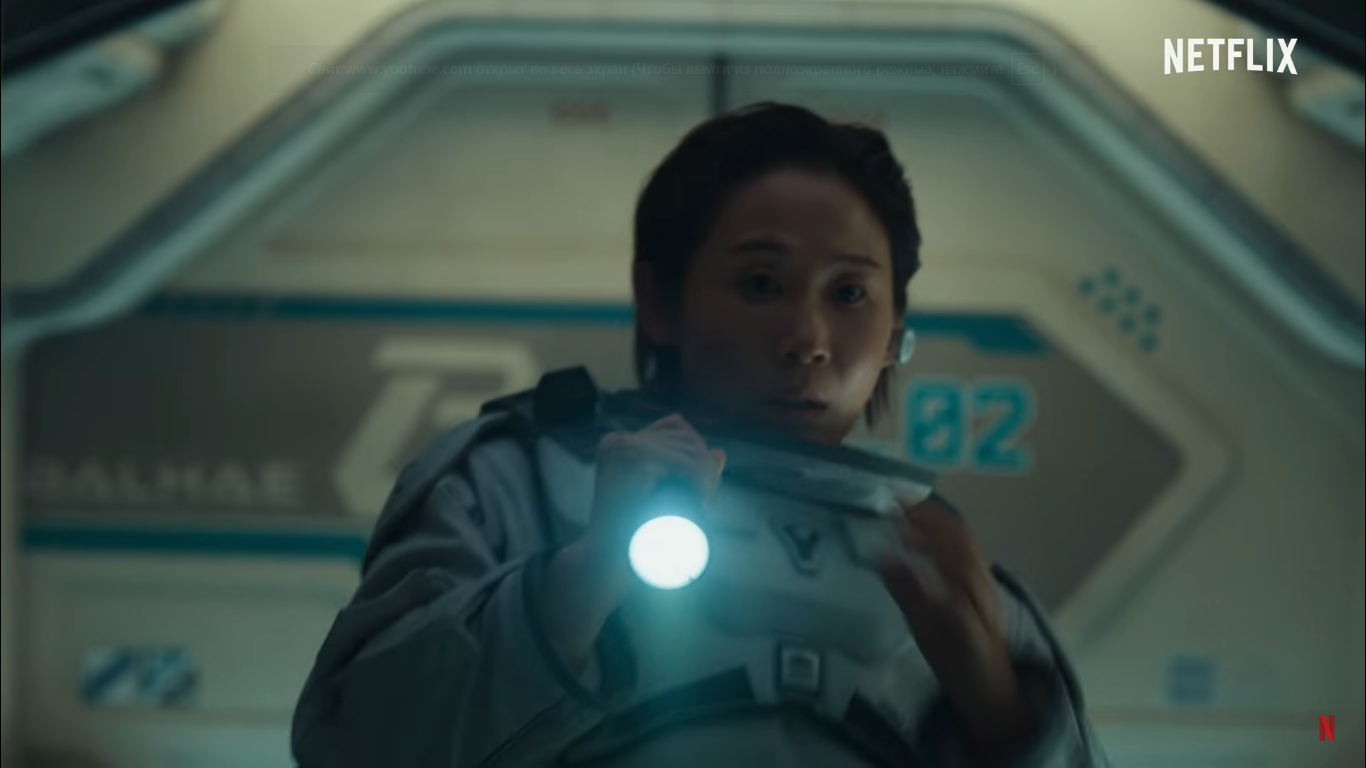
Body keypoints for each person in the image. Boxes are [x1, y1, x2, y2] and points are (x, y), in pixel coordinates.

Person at [292, 102, 1110, 767]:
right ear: (660, 301)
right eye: (760, 282)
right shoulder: (514, 482)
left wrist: (1002, 711)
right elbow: (355, 742)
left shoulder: (946, 570)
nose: (807, 339)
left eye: (850, 294)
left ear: (897, 328)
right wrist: (582, 578)